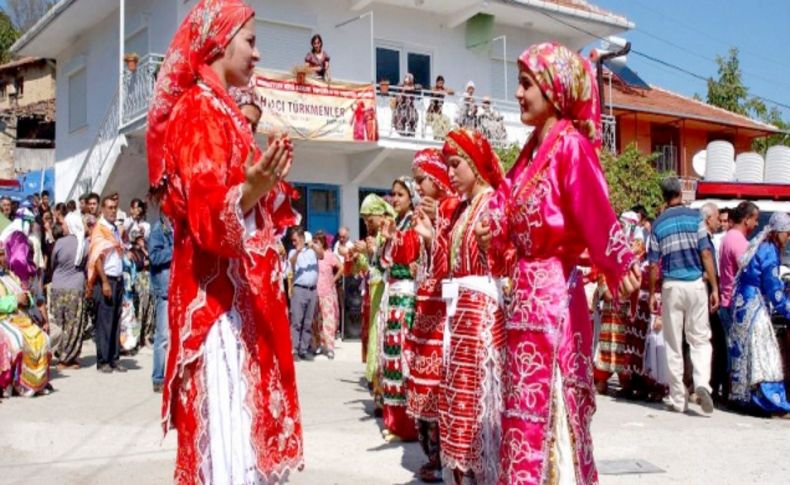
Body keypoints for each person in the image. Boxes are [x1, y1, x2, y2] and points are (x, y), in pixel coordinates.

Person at [146, 0, 303, 480]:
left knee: (245, 443)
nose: (257, 55)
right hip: (219, 309)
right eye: (251, 41)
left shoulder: (223, 111)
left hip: (240, 301)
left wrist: (261, 188)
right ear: (219, 41)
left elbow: (247, 202)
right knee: (230, 440)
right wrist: (251, 190)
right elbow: (206, 213)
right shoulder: (198, 110)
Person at [480, 43, 641, 483]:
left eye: (526, 84)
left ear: (553, 90)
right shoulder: (532, 150)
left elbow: (595, 210)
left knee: (551, 408)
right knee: (522, 412)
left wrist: (619, 263)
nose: (517, 93)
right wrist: (488, 224)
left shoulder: (570, 146)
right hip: (526, 299)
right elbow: (504, 201)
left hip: (554, 300)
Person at [413, 128, 509, 484]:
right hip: (460, 317)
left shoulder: (494, 203)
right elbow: (445, 269)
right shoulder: (463, 210)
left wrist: (492, 250)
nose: (449, 174)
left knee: (480, 402)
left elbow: (505, 259)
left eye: (455, 165)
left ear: (475, 163)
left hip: (483, 314)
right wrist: (430, 237)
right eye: (447, 166)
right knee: (461, 405)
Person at [405, 148, 458, 483]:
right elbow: (426, 263)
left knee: (439, 384)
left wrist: (436, 227)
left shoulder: (453, 207)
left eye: (421, 178)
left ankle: (443, 457)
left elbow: (452, 263)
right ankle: (432, 455)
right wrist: (425, 239)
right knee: (424, 384)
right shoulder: (429, 209)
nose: (418, 186)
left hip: (443, 312)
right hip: (426, 306)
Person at [648, 176, 719, 415]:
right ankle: (701, 383)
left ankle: (678, 399)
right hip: (696, 285)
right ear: (680, 192)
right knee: (699, 339)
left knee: (673, 343)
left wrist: (651, 293)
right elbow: (706, 253)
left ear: (663, 196)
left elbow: (654, 265)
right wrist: (715, 287)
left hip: (671, 287)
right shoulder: (695, 217)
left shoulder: (657, 225)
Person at [728, 212, 790, 414]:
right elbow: (774, 289)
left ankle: (742, 397)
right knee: (764, 353)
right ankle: (764, 401)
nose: (788, 238)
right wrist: (787, 310)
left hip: (742, 303)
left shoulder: (760, 245)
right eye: (787, 234)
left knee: (746, 350)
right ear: (779, 232)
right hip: (754, 305)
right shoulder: (770, 251)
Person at [378, 176, 421, 442]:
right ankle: (394, 422)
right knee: (391, 359)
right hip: (392, 294)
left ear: (411, 197)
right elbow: (384, 261)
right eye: (392, 195)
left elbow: (408, 257)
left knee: (403, 359)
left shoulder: (414, 224)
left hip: (406, 295)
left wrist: (395, 237)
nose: (394, 199)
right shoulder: (399, 224)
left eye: (400, 195)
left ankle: (407, 424)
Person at [716, 201, 759, 401]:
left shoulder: (729, 237)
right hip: (734, 303)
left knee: (729, 349)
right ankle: (734, 393)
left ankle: (728, 391)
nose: (756, 224)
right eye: (755, 219)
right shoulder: (738, 241)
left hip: (727, 300)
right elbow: (749, 270)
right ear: (746, 219)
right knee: (736, 350)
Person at [0, 244, 52, 397]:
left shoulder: (10, 275)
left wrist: (25, 298)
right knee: (17, 340)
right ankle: (17, 383)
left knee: (42, 338)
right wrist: (15, 300)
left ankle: (37, 383)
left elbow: (27, 295)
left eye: (3, 254)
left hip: (19, 318)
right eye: (0, 254)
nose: (2, 258)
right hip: (4, 318)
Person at [87, 196, 125, 373]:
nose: (112, 211)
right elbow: (96, 258)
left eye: (115, 207)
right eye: (109, 207)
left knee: (116, 320)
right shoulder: (99, 229)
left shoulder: (114, 229)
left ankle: (114, 358)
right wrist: (104, 282)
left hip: (117, 278)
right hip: (106, 279)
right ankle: (103, 360)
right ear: (102, 209)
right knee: (104, 321)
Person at [48, 211, 86, 369]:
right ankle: (68, 357)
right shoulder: (84, 244)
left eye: (64, 224)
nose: (61, 226)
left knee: (59, 322)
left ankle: (61, 356)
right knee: (74, 324)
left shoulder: (60, 243)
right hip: (75, 288)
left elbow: (52, 263)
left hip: (58, 287)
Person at [149, 214, 173, 393]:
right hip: (164, 290)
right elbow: (154, 257)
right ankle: (158, 377)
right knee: (162, 336)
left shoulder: (178, 228)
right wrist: (176, 249)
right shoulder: (159, 230)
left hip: (178, 289)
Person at [290, 226, 322, 360]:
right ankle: (294, 350)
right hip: (299, 289)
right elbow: (291, 262)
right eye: (292, 240)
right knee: (296, 321)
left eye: (295, 240)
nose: (294, 243)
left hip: (312, 290)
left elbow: (322, 255)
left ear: (302, 238)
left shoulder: (312, 251)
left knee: (308, 322)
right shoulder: (293, 252)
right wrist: (297, 252)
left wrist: (313, 245)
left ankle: (304, 349)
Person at [311, 231, 341, 359]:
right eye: (314, 240)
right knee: (316, 321)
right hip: (314, 292)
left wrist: (333, 280)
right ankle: (317, 345)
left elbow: (341, 267)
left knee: (328, 320)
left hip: (327, 292)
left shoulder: (329, 255)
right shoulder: (312, 256)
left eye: (318, 240)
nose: (315, 243)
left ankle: (329, 347)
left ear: (323, 242)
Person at [426, 75, 452, 141]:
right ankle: (436, 137)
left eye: (442, 83)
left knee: (447, 120)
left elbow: (452, 92)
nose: (441, 84)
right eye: (439, 83)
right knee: (437, 122)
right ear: (436, 82)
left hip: (439, 114)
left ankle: (444, 137)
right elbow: (432, 91)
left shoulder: (443, 89)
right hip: (431, 113)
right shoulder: (434, 88)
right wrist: (440, 91)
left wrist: (445, 90)